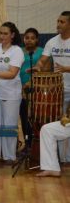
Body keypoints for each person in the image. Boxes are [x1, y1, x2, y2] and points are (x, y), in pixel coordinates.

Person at [0, 21, 24, 163]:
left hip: (10, 93)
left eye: (5, 33)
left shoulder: (17, 51)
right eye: (0, 33)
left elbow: (12, 73)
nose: (1, 36)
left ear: (12, 35)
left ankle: (9, 156)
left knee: (9, 124)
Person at [33, 11, 70, 162]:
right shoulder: (52, 42)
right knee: (61, 123)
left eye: (62, 22)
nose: (58, 25)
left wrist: (67, 69)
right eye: (58, 21)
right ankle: (62, 159)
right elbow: (43, 60)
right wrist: (37, 66)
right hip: (59, 89)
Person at [19, 28, 43, 147]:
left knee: (35, 119)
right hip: (20, 90)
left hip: (37, 91)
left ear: (37, 40)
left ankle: (37, 146)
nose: (29, 40)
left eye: (32, 38)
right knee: (24, 118)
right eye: (27, 38)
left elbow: (47, 70)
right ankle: (27, 145)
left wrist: (31, 81)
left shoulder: (42, 52)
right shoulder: (19, 52)